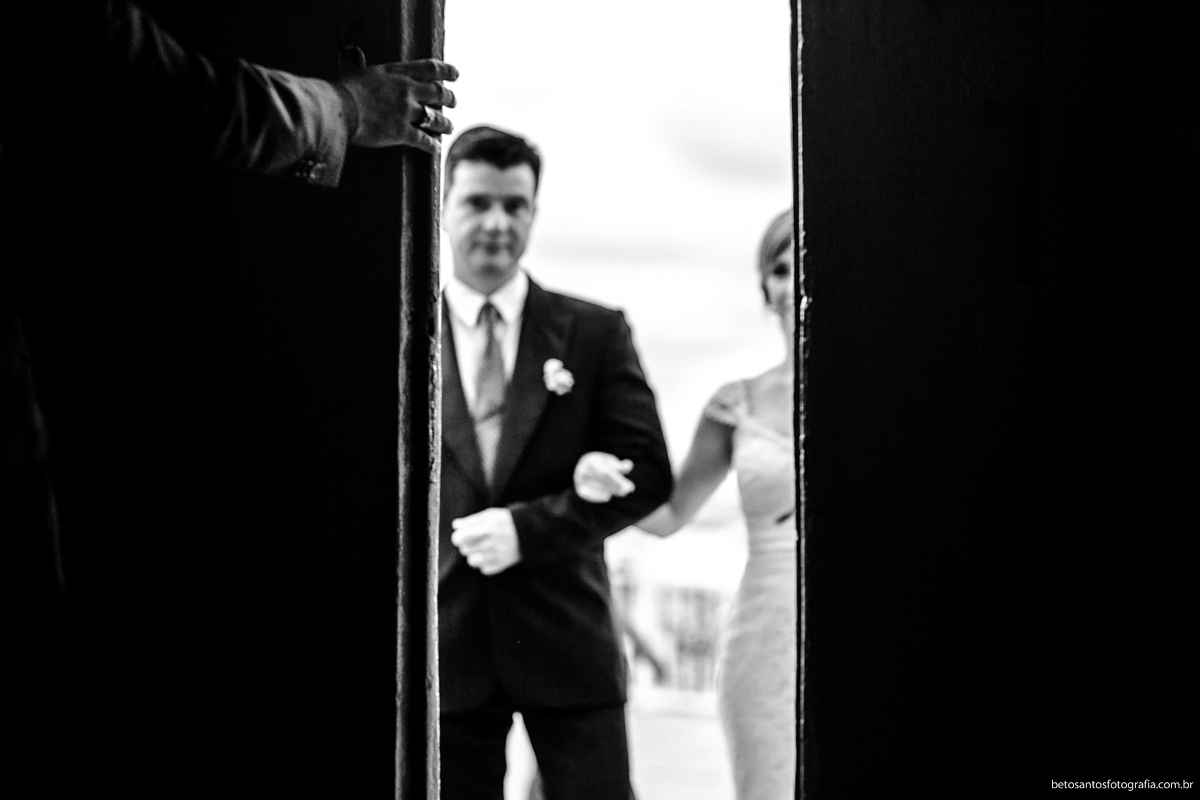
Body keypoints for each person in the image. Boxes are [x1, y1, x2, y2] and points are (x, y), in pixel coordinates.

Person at [437, 125, 673, 800]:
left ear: (534, 213)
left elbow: (649, 474)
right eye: (478, 202)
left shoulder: (594, 332)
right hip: (446, 647)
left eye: (515, 205)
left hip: (569, 644)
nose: (497, 222)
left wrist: (527, 530)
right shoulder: (402, 326)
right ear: (443, 207)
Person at [575, 209, 798, 800]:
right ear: (764, 288)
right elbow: (669, 516)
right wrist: (600, 477)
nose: (792, 282)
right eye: (779, 269)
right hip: (765, 630)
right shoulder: (734, 403)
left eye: (803, 263)